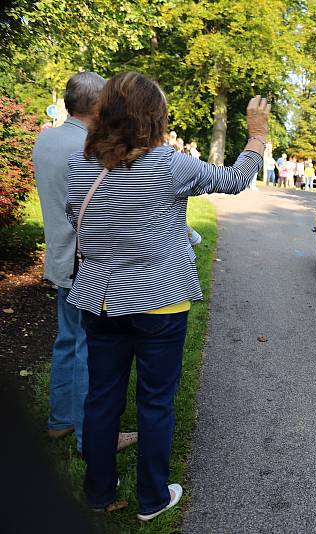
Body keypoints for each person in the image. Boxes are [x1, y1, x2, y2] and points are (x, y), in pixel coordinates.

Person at [65, 71, 267, 521]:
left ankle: (98, 491)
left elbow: (73, 218)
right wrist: (256, 136)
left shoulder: (80, 166)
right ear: (153, 117)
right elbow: (234, 180)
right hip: (159, 303)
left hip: (98, 299)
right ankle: (152, 499)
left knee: (102, 398)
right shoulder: (167, 165)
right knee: (155, 401)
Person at [32, 71, 138, 458]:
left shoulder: (46, 139)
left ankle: (61, 420)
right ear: (97, 105)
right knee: (87, 350)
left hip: (61, 254)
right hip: (86, 261)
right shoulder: (90, 149)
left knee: (67, 341)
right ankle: (89, 437)